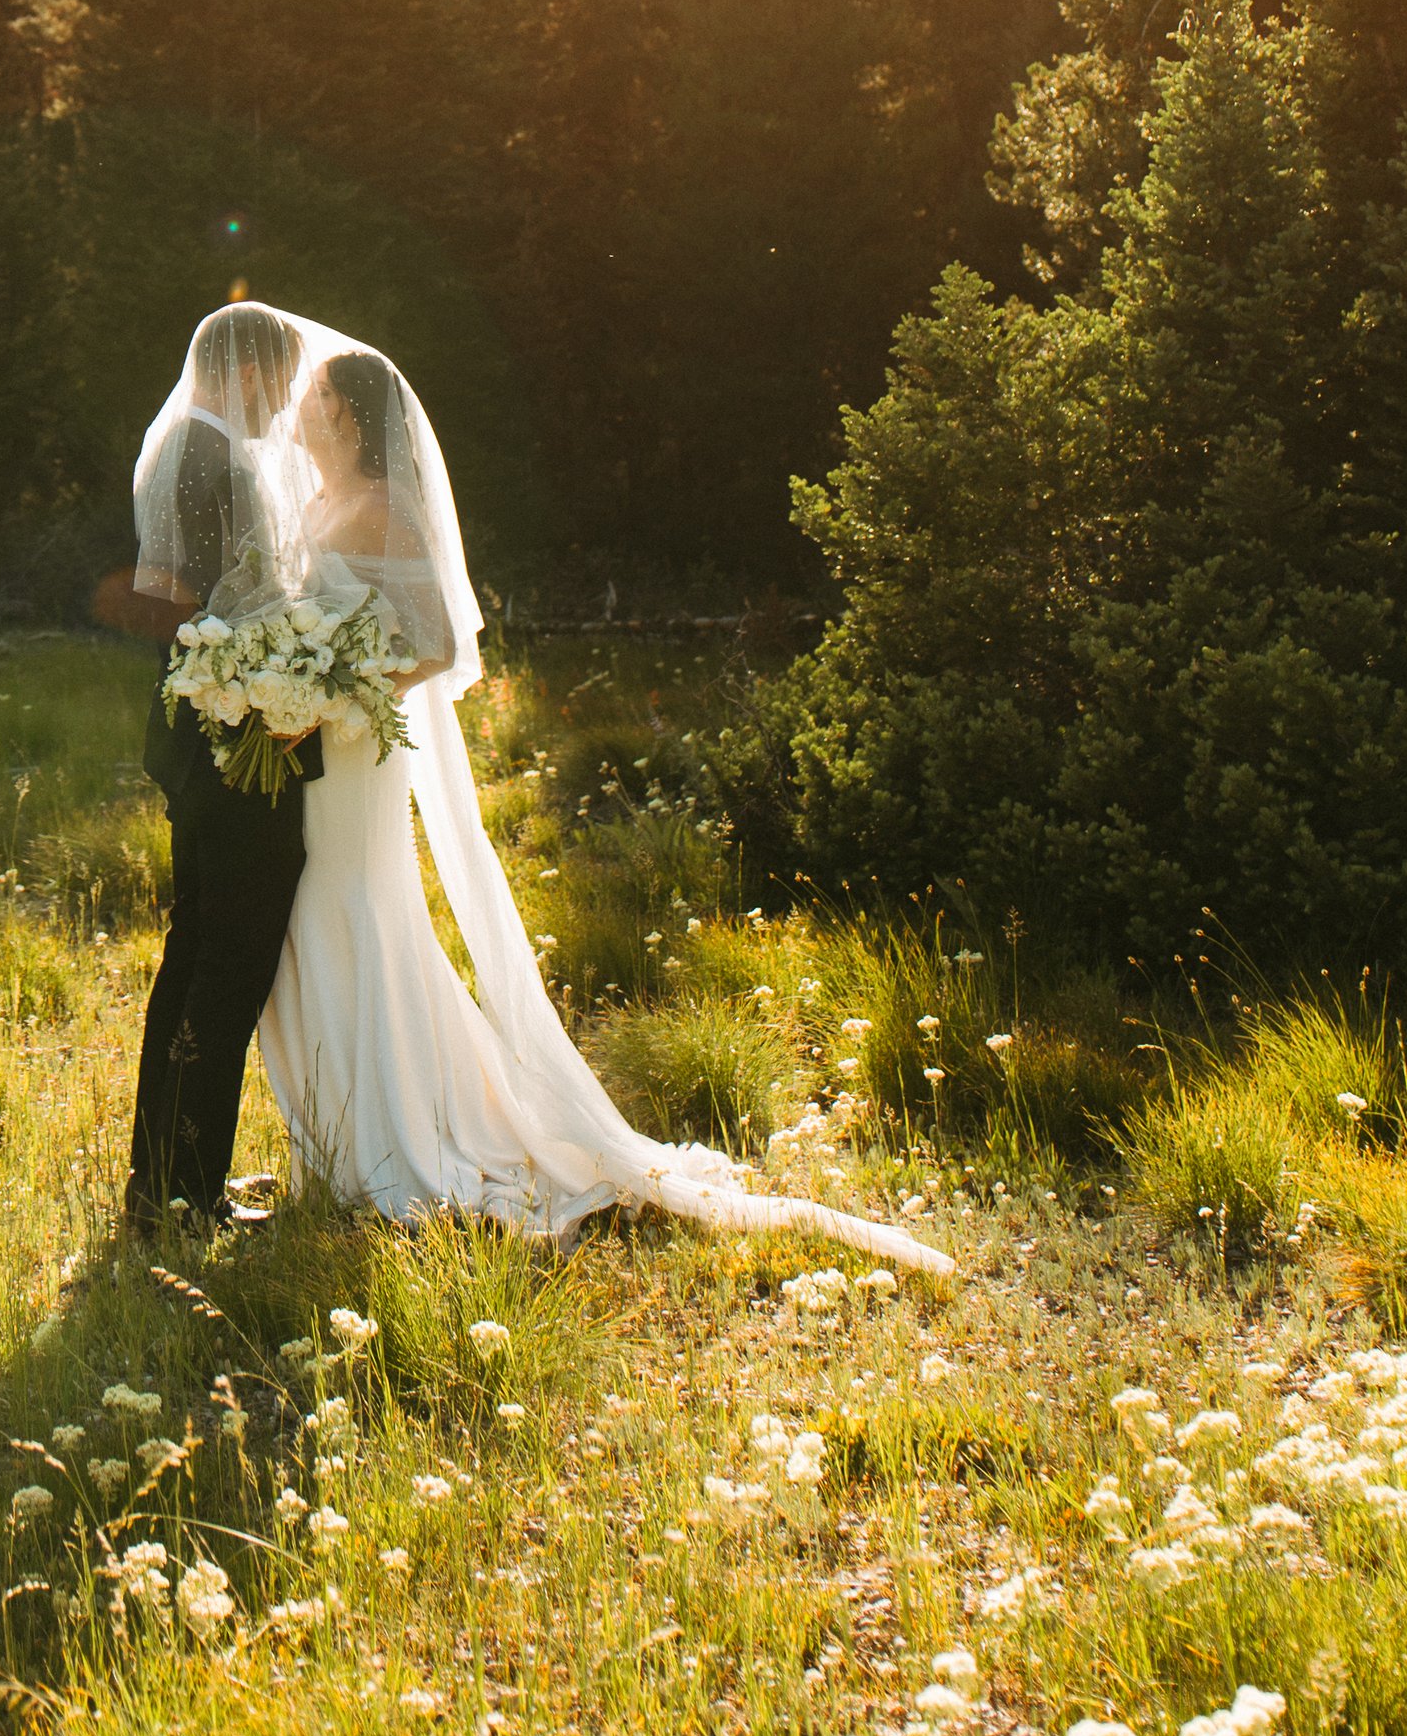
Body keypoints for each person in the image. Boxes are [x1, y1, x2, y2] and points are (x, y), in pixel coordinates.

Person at [137, 299, 953, 1274]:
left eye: (313, 396)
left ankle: (397, 1144)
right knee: (308, 943)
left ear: (348, 419)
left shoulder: (385, 510)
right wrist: (294, 689)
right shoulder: (302, 504)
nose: (298, 406)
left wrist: (335, 697)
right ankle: (331, 1152)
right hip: (301, 760)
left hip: (348, 752)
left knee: (358, 925)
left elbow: (433, 642)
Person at [100, 303, 323, 1232]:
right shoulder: (211, 454)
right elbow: (204, 601)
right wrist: (281, 674)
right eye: (282, 384)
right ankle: (188, 1195)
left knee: (195, 955)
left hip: (200, 732)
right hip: (231, 739)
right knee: (226, 963)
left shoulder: (187, 445)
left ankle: (164, 1184)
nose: (287, 408)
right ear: (249, 373)